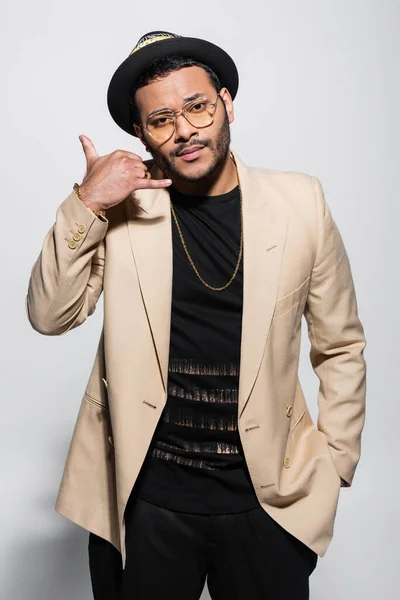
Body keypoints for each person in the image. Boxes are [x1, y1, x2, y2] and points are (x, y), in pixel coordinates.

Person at [26, 30, 367, 600]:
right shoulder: (120, 210)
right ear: (140, 134)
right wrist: (86, 202)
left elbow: (340, 345)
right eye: (160, 120)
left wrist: (333, 465)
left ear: (226, 102)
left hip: (268, 500)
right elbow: (49, 314)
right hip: (145, 500)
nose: (184, 130)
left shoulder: (301, 203)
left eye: (197, 106)